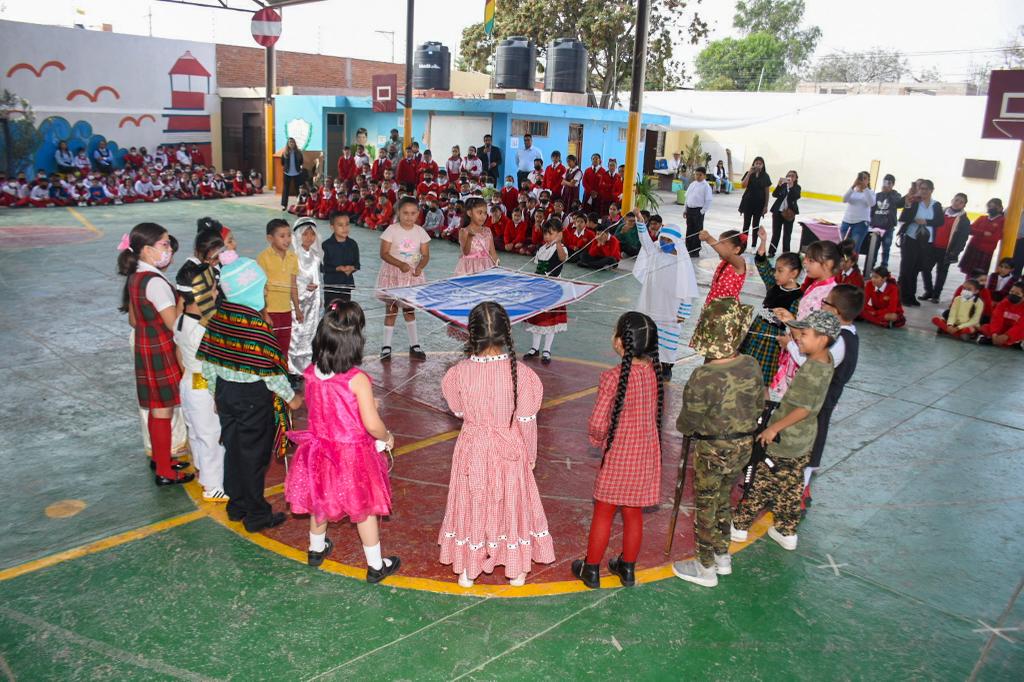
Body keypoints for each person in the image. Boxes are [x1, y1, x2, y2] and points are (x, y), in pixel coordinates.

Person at [284, 302, 401, 582]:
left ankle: (315, 548)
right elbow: (371, 424)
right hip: (351, 453)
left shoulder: (311, 372)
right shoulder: (357, 379)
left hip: (319, 448)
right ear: (355, 344)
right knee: (363, 507)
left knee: (319, 498)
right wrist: (386, 437)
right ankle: (375, 565)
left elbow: (324, 405)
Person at [438, 302, 552, 587]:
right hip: (510, 449)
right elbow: (527, 421)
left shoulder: (458, 373)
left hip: (472, 448)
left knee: (473, 502)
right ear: (508, 332)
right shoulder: (523, 375)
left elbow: (459, 411)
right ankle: (516, 569)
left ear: (470, 334)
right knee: (511, 503)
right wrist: (531, 456)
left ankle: (468, 568)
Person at [197, 250, 301, 532]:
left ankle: (237, 504)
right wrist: (291, 397)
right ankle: (256, 514)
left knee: (233, 449)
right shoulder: (257, 328)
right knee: (254, 457)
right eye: (262, 287)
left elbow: (208, 360)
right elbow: (268, 371)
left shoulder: (218, 319)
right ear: (251, 290)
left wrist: (216, 391)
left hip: (225, 396)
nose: (266, 291)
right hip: (252, 399)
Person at [671, 298, 764, 587]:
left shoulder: (705, 376)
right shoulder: (750, 364)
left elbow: (688, 421)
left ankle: (705, 566)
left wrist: (686, 427)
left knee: (707, 504)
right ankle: (723, 555)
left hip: (713, 449)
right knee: (724, 497)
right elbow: (760, 403)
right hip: (744, 445)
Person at [731, 310, 838, 552]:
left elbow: (803, 408)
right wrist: (793, 329)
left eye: (804, 334)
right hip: (804, 438)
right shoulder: (825, 359)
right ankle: (786, 530)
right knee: (791, 485)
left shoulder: (813, 370)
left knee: (762, 481)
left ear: (822, 339)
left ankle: (739, 526)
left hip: (786, 437)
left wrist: (774, 428)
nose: (798, 337)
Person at [573, 311, 663, 588]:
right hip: (645, 455)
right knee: (632, 512)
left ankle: (590, 570)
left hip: (620, 454)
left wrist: (599, 442)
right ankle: (627, 568)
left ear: (619, 343)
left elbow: (599, 422)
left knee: (603, 512)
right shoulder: (654, 373)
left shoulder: (612, 377)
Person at [117, 223, 195, 486]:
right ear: (147, 250)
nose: (169, 249)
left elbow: (133, 320)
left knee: (157, 408)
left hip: (147, 344)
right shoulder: (156, 283)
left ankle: (161, 458)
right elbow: (175, 323)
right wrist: (186, 302)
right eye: (164, 244)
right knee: (162, 410)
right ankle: (164, 469)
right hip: (161, 347)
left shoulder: (137, 276)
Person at [803, 285, 864, 505]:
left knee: (810, 442)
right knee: (816, 438)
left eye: (826, 302)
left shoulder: (838, 341)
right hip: (828, 397)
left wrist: (792, 343)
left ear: (836, 311)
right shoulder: (850, 335)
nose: (823, 305)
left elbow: (811, 364)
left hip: (820, 398)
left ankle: (799, 491)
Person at [173, 260, 227, 502]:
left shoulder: (181, 320)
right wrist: (217, 396)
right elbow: (212, 367)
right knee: (211, 436)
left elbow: (179, 355)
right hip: (202, 384)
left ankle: (201, 471)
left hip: (189, 380)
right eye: (213, 289)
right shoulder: (203, 331)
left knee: (196, 431)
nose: (217, 293)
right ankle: (213, 486)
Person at [770, 240, 840, 399]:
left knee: (798, 403)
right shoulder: (816, 285)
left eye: (811, 260)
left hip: (805, 352)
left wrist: (791, 322)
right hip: (797, 346)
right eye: (806, 258)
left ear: (828, 264)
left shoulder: (829, 293)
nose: (805, 263)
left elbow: (817, 331)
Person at [634, 222, 698, 381]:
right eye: (662, 239)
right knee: (651, 336)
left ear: (676, 242)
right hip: (652, 305)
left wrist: (683, 311)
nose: (664, 243)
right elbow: (645, 240)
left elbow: (687, 288)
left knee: (669, 339)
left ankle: (667, 367)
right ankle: (650, 364)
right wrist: (640, 220)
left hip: (672, 309)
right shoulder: (655, 252)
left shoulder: (683, 261)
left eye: (668, 241)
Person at [740, 227, 803, 385]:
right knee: (744, 373)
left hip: (771, 340)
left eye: (780, 271)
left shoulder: (798, 297)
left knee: (762, 382)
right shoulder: (773, 285)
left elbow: (796, 323)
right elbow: (762, 264)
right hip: (756, 331)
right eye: (776, 270)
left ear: (794, 274)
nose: (775, 274)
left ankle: (764, 409)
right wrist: (763, 241)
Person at [377, 196, 431, 361]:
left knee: (409, 310)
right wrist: (400, 264)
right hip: (393, 273)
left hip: (411, 276)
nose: (409, 217)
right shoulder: (391, 230)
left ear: (418, 214)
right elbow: (384, 253)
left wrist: (420, 266)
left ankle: (414, 345)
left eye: (413, 213)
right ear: (398, 213)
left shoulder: (420, 231)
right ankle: (386, 346)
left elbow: (426, 255)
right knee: (391, 310)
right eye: (405, 213)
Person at [523, 220, 569, 365]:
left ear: (559, 234)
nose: (547, 236)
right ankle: (535, 347)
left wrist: (558, 243)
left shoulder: (561, 248)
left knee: (550, 321)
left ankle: (547, 350)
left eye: (551, 233)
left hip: (554, 289)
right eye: (546, 233)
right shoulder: (542, 249)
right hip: (539, 288)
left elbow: (562, 258)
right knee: (537, 318)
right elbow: (538, 267)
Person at [258, 219, 302, 366]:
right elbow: (260, 289)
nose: (287, 239)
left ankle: (281, 378)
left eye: (289, 235)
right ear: (270, 238)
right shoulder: (263, 258)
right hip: (270, 312)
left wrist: (297, 308)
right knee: (268, 349)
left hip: (286, 312)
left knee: (284, 348)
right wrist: (264, 313)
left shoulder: (292, 257)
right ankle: (267, 382)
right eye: (282, 236)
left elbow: (293, 285)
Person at [896, 179, 944, 307]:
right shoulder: (914, 201)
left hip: (926, 241)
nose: (924, 191)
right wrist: (909, 204)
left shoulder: (936, 205)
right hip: (911, 238)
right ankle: (903, 296)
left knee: (916, 269)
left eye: (926, 189)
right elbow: (903, 217)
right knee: (907, 268)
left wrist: (926, 222)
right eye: (921, 188)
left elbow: (940, 221)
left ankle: (911, 295)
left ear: (931, 190)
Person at [921, 192, 971, 304]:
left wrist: (955, 252)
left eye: (961, 202)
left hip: (947, 250)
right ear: (952, 199)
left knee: (941, 273)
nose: (958, 203)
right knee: (925, 268)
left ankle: (936, 295)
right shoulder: (941, 212)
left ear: (964, 205)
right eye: (956, 200)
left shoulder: (964, 220)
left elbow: (962, 239)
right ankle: (929, 291)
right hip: (933, 247)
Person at [288, 218, 323, 375]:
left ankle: (307, 365)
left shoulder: (315, 256)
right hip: (298, 301)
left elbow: (316, 279)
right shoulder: (294, 256)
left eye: (312, 234)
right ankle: (293, 368)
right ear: (297, 236)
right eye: (305, 234)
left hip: (313, 302)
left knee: (311, 331)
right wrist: (304, 288)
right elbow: (292, 281)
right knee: (296, 332)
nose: (309, 237)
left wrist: (318, 297)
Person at [960, 198, 1005, 278]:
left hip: (986, 251)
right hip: (973, 247)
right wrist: (983, 233)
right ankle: (967, 287)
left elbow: (995, 238)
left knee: (979, 275)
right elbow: (969, 229)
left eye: (994, 206)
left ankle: (975, 289)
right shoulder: (982, 218)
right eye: (989, 206)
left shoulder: (1001, 221)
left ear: (1000, 208)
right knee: (969, 273)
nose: (991, 208)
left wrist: (978, 233)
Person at [698, 230, 747, 304]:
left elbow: (727, 255)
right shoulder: (724, 262)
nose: (718, 247)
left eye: (722, 244)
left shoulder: (739, 262)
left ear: (737, 250)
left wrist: (709, 238)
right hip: (712, 306)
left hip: (727, 309)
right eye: (719, 243)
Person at [456, 197, 497, 275]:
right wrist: (469, 237)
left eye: (485, 213)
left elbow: (493, 252)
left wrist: (497, 266)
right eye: (479, 213)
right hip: (469, 268)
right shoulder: (463, 231)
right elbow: (466, 252)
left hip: (486, 267)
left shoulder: (487, 231)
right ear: (470, 213)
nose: (483, 216)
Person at [977, 283, 1024, 348]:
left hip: (1015, 331)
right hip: (1001, 329)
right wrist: (994, 334)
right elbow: (996, 319)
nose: (1012, 294)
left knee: (1020, 333)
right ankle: (1010, 343)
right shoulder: (1004, 303)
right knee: (986, 327)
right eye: (1011, 291)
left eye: (1017, 294)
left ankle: (995, 340)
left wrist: (1007, 336)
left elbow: (1020, 326)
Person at [840, 171, 876, 254]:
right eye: (860, 178)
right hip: (847, 221)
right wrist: (853, 185)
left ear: (868, 180)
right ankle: (842, 264)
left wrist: (865, 188)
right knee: (842, 247)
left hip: (861, 223)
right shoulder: (853, 191)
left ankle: (851, 265)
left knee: (854, 248)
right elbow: (844, 199)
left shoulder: (870, 192)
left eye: (865, 178)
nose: (862, 180)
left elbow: (871, 203)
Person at [738, 156, 771, 247]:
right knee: (746, 225)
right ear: (753, 164)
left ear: (763, 165)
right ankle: (743, 245)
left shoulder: (765, 176)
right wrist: (749, 173)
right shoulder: (749, 173)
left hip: (759, 204)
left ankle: (753, 245)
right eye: (756, 163)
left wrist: (765, 206)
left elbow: (767, 192)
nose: (758, 165)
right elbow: (743, 186)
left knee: (755, 226)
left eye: (760, 163)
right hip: (748, 203)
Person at [768, 170, 800, 257]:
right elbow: (774, 194)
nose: (790, 177)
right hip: (777, 212)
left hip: (789, 214)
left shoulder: (797, 187)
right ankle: (771, 251)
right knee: (776, 233)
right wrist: (779, 185)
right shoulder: (782, 185)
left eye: (793, 176)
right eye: (788, 175)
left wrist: (791, 186)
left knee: (787, 234)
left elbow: (796, 196)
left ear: (796, 178)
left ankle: (786, 253)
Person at [684, 167, 713, 256]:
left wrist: (702, 211)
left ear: (704, 175)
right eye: (696, 174)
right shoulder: (693, 184)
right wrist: (685, 209)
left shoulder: (706, 186)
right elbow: (687, 197)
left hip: (698, 211)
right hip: (690, 209)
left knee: (697, 231)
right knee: (689, 229)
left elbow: (708, 200)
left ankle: (695, 250)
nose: (697, 176)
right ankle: (688, 248)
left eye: (700, 175)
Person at [280, 137, 305, 210]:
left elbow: (301, 161)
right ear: (288, 144)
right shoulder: (285, 153)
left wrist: (298, 169)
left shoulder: (298, 152)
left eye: (292, 142)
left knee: (298, 189)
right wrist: (286, 169)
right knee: (285, 190)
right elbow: (282, 163)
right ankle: (284, 205)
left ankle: (300, 204)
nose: (291, 143)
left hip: (297, 173)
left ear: (295, 143)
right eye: (290, 142)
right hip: (287, 173)